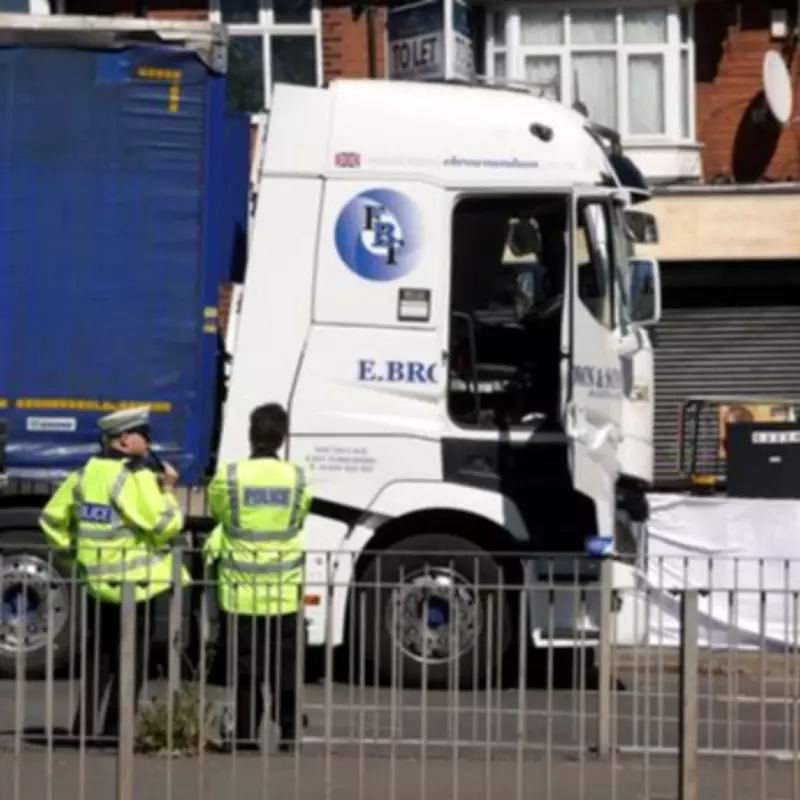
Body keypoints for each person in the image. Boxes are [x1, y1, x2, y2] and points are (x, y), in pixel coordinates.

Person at [39, 406, 190, 744]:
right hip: (136, 588)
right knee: (130, 660)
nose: (149, 440)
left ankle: (84, 728)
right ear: (124, 441)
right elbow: (166, 525)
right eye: (144, 434)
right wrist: (168, 489)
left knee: (98, 657)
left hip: (97, 585)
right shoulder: (132, 478)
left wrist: (76, 553)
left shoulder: (83, 475)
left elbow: (51, 521)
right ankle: (114, 730)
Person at [204, 402, 311, 753]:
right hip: (283, 589)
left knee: (246, 667)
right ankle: (290, 733)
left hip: (241, 591)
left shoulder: (231, 476)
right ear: (282, 437)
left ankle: (247, 735)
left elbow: (220, 511)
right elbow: (299, 518)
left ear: (251, 435)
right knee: (286, 667)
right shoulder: (296, 477)